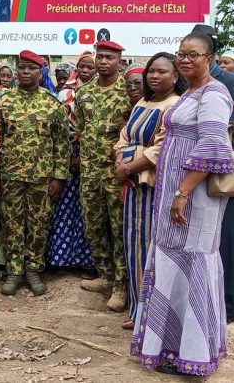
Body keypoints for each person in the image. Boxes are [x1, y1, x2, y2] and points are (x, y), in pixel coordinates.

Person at [130, 32, 234, 377]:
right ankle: (169, 346)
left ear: (210, 58)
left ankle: (195, 352)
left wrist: (183, 192)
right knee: (171, 265)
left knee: (192, 265)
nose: (185, 60)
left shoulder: (214, 95)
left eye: (194, 55)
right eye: (181, 55)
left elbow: (211, 147)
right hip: (173, 195)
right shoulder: (190, 92)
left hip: (194, 198)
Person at [114, 52, 184, 329]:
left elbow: (162, 148)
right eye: (151, 71)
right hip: (132, 183)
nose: (154, 76)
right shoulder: (142, 102)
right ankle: (136, 307)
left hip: (152, 185)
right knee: (133, 245)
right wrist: (121, 161)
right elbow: (124, 137)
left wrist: (131, 168)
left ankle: (151, 313)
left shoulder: (174, 106)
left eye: (162, 72)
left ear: (175, 76)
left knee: (149, 246)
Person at [0, 51, 69, 296]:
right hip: (10, 175)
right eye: (22, 68)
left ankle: (34, 270)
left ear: (41, 72)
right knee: (12, 224)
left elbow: (61, 143)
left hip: (42, 176)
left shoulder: (52, 103)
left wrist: (59, 177)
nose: (25, 72)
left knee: (39, 224)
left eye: (31, 68)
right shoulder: (3, 101)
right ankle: (14, 271)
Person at [192, 25, 234, 323]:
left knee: (223, 240)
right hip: (188, 173)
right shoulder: (184, 81)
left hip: (221, 174)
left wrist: (210, 159)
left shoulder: (232, 82)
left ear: (211, 51)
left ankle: (225, 308)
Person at [75, 41, 132, 311]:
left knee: (118, 229)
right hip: (90, 172)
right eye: (100, 57)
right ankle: (105, 275)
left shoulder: (128, 91)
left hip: (117, 174)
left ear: (119, 61)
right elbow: (82, 130)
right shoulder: (83, 93)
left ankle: (121, 285)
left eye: (109, 57)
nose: (103, 62)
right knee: (93, 226)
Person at [47, 51, 96, 270]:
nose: (86, 71)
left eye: (90, 67)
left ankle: (87, 261)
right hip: (66, 153)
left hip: (92, 157)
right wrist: (68, 156)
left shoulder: (102, 93)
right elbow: (58, 129)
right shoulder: (64, 93)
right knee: (65, 208)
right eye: (82, 66)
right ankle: (61, 258)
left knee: (89, 210)